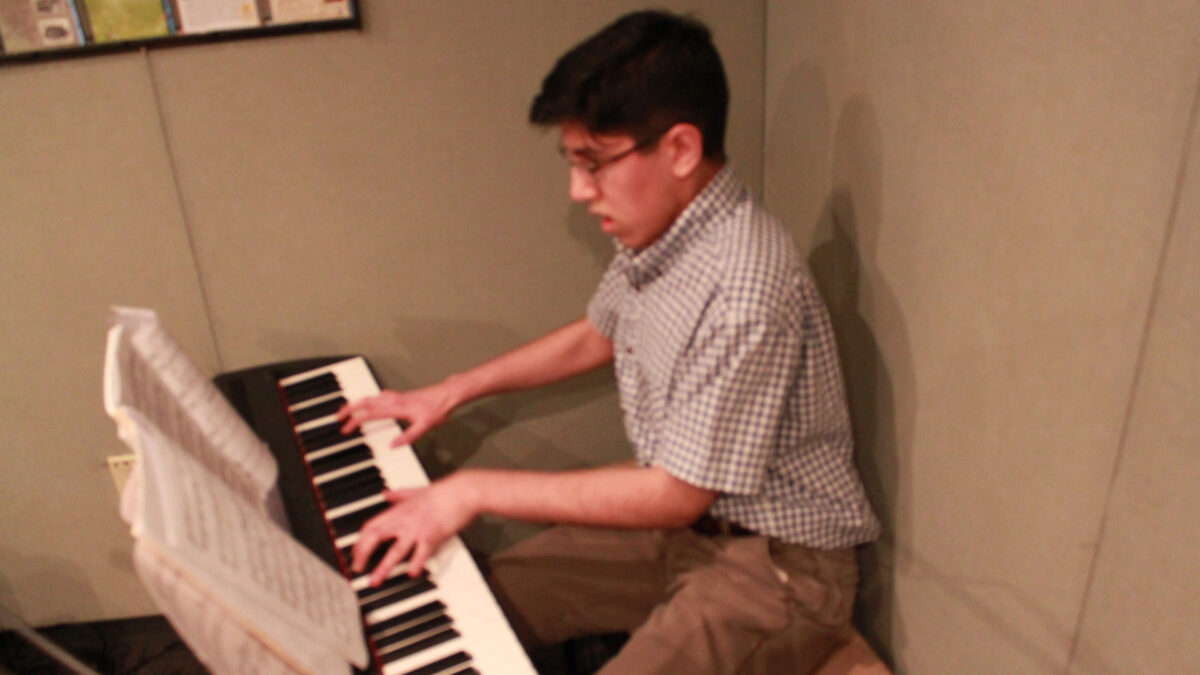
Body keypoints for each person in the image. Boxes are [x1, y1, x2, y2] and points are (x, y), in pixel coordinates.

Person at [338, 9, 881, 674]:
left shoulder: (746, 282)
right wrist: (452, 390)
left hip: (780, 566)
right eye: (571, 163)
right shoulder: (662, 229)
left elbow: (677, 493)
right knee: (470, 599)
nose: (578, 191)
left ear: (681, 149)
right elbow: (598, 333)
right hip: (689, 533)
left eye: (595, 163)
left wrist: (471, 489)